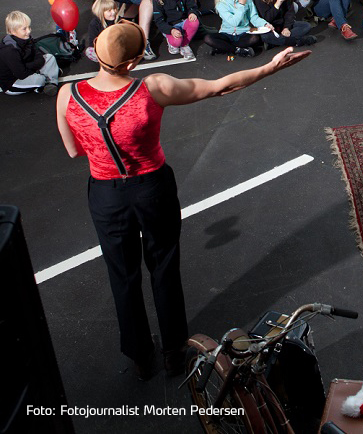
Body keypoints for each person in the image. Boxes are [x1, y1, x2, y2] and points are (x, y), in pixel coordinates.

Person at [57, 20, 307, 377]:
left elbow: (72, 150)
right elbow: (220, 87)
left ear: (96, 52)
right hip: (151, 188)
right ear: (133, 62)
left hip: (106, 194)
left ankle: (140, 356)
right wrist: (270, 67)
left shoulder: (68, 94)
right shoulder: (153, 87)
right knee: (163, 266)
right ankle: (174, 350)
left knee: (122, 275)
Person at [1, 10, 60, 96]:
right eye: (24, 29)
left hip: (26, 69)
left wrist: (32, 65)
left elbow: (38, 55)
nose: (28, 31)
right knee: (39, 79)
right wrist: (36, 65)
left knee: (49, 57)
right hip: (13, 82)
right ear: (12, 31)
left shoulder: (26, 38)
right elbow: (21, 74)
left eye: (29, 27)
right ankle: (45, 80)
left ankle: (51, 84)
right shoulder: (9, 50)